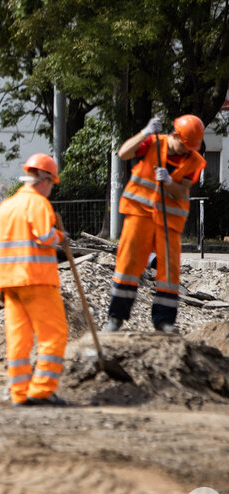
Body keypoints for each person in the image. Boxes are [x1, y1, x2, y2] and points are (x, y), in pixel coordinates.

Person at [105, 115, 206, 334]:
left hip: (169, 222)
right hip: (139, 214)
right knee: (128, 265)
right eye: (184, 145)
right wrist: (145, 131)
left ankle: (164, 321)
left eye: (190, 147)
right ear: (175, 135)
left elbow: (183, 191)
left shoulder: (194, 160)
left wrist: (169, 183)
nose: (185, 151)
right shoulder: (152, 143)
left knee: (169, 271)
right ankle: (116, 317)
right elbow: (123, 153)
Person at [0, 153, 68, 407]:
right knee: (53, 335)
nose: (51, 189)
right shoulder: (38, 204)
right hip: (37, 280)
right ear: (44, 180)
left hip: (9, 284)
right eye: (52, 184)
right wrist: (61, 236)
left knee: (18, 339)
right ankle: (41, 390)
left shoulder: (5, 207)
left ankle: (20, 392)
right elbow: (45, 237)